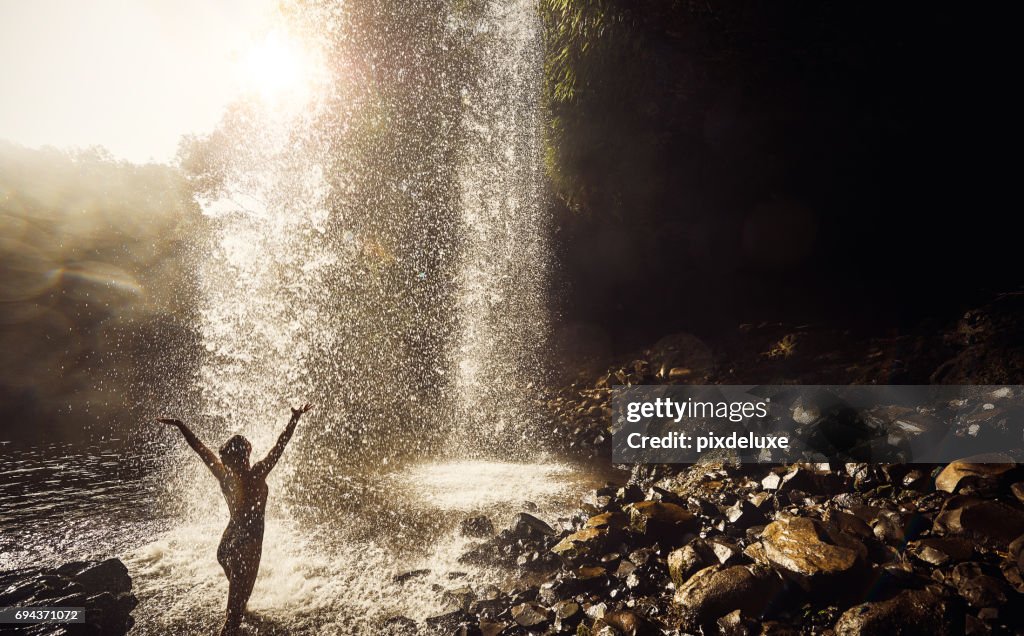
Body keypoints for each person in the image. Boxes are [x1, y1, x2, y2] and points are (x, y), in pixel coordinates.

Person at [156, 403, 313, 636]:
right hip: (243, 539)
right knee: (230, 601)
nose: (224, 461)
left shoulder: (230, 474)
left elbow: (201, 449)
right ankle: (239, 597)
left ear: (237, 458)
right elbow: (279, 446)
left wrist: (181, 426)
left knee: (232, 611)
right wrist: (294, 420)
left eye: (227, 457)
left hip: (239, 541)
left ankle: (239, 598)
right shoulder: (252, 473)